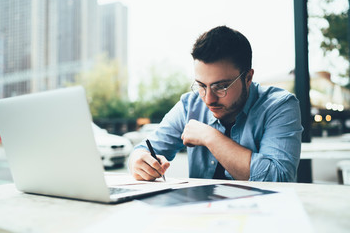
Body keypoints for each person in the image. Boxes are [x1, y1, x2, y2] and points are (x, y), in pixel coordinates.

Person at [129, 25, 303, 182]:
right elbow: (144, 149)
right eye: (201, 86)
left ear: (248, 78)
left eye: (221, 87)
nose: (208, 99)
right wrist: (138, 160)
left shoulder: (280, 106)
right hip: (201, 214)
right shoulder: (190, 105)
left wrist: (209, 137)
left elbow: (279, 178)